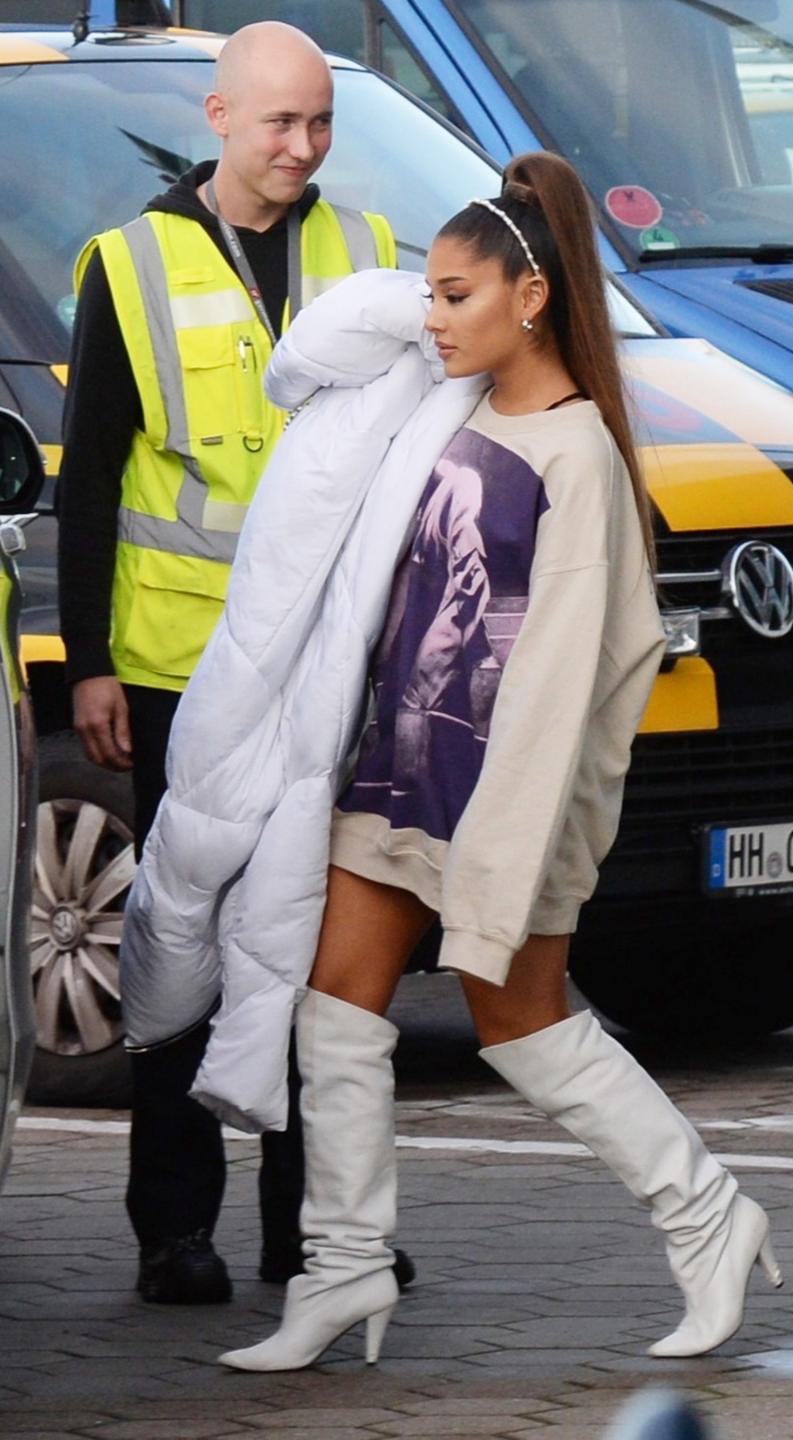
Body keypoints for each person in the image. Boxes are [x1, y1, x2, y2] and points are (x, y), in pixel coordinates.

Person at [215, 150, 783, 1373]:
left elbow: (566, 687)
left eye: (456, 295)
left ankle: (709, 1217)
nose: (433, 318)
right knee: (337, 1011)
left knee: (523, 1027)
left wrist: (503, 850)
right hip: (399, 769)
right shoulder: (451, 414)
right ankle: (343, 1271)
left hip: (503, 801)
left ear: (529, 296)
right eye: (430, 293)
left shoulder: (580, 458)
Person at [56, 20, 404, 1306]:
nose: (303, 149)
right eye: (279, 125)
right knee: (183, 951)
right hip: (179, 668)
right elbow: (86, 479)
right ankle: (173, 1232)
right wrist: (89, 659)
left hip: (327, 670)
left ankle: (311, 1231)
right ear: (218, 117)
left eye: (320, 125)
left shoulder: (365, 252)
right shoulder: (130, 265)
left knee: (323, 953)